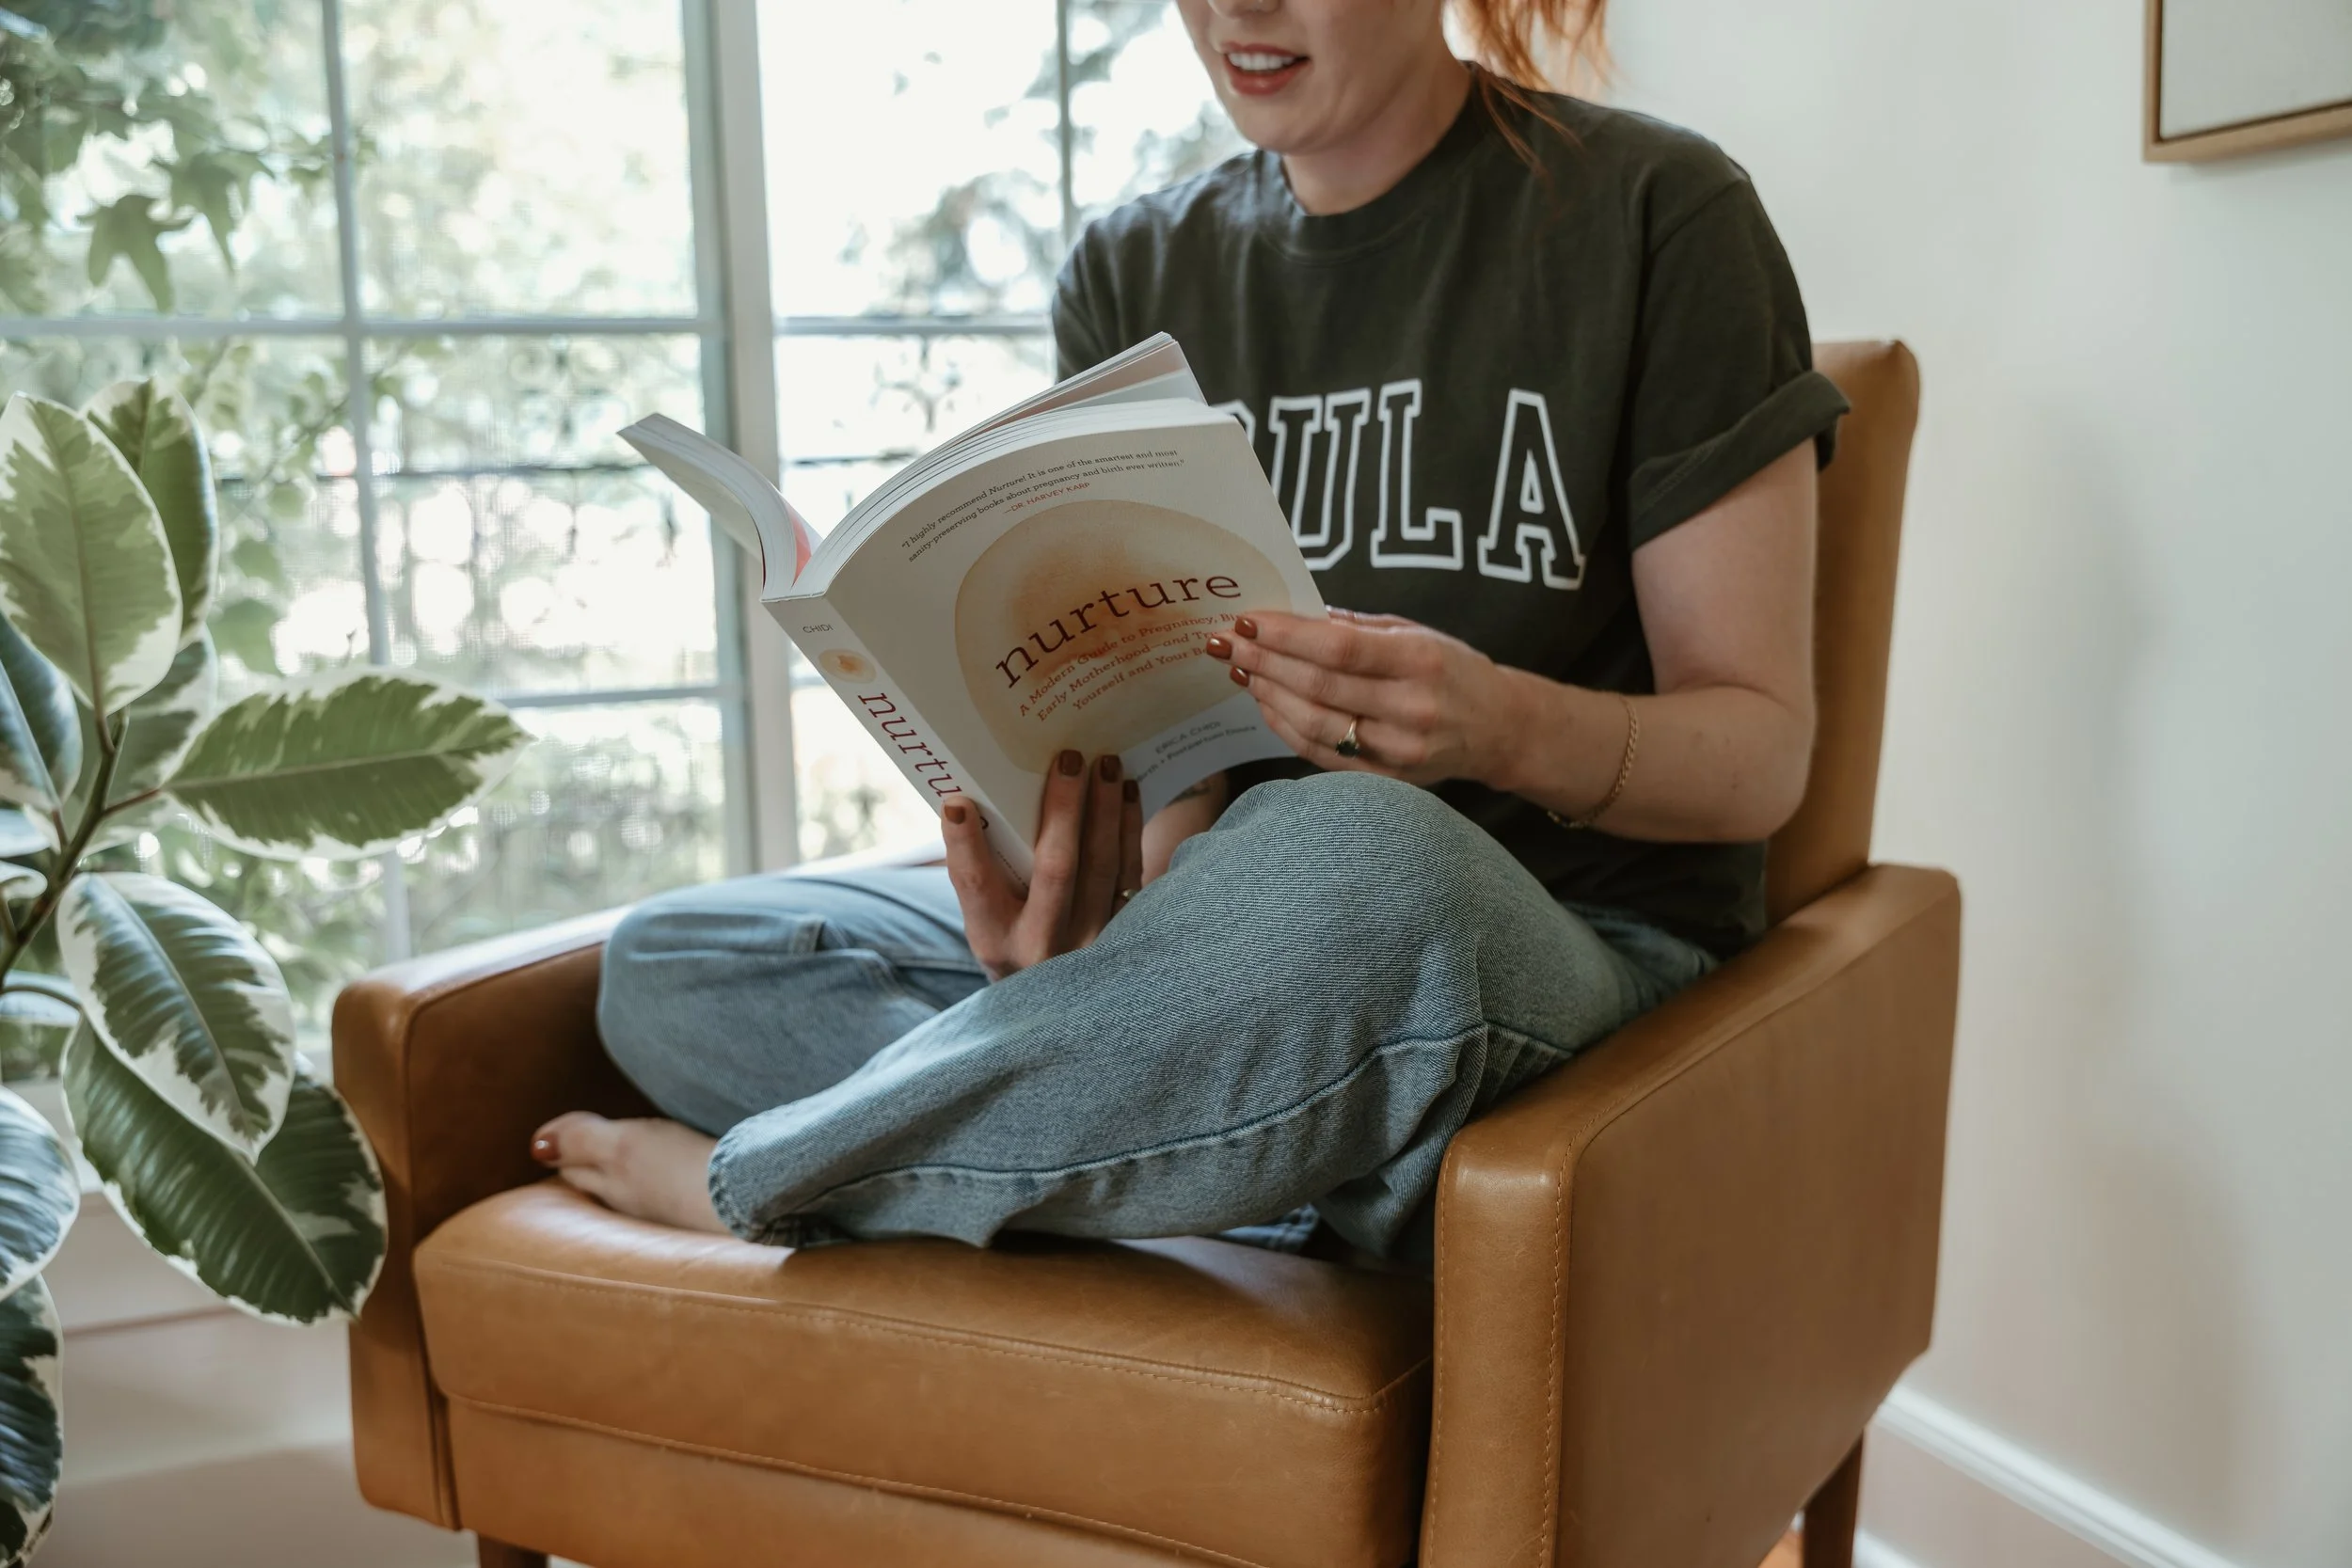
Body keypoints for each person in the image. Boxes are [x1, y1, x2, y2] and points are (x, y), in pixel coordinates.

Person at [531, 0, 1847, 1262]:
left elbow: (1758, 751)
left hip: (1546, 959)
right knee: (673, 964)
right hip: (1225, 956)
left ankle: (768, 1178)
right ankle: (1213, 1156)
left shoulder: (1659, 216)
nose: (1237, 4)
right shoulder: (1135, 270)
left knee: (1351, 850)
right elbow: (1182, 783)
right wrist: (1097, 933)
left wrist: (1500, 724)